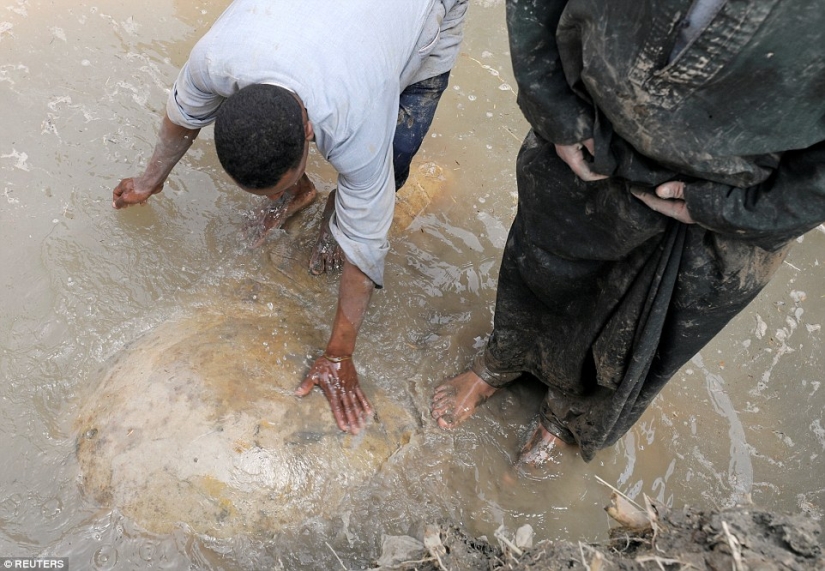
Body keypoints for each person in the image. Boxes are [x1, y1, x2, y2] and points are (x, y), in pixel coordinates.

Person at [431, 0, 825, 465]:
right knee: (541, 266)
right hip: (588, 136)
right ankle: (504, 357)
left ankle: (564, 419)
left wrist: (735, 209)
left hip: (732, 198)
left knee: (640, 337)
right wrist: (553, 106)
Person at [112, 0, 468, 434]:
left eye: (282, 181)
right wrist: (151, 180)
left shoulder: (356, 121)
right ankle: (299, 190)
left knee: (390, 159)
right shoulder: (215, 61)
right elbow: (181, 116)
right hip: (322, 30)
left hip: (422, 10)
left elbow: (366, 251)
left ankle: (336, 209)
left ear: (308, 131)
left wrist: (339, 354)